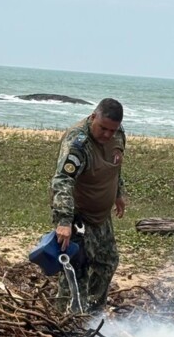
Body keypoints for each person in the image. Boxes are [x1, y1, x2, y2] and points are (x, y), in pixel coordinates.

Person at [50, 98, 128, 312]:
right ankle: (66, 318)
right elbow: (62, 181)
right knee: (76, 269)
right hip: (78, 217)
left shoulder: (118, 134)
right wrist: (64, 222)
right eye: (103, 128)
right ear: (93, 116)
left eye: (112, 130)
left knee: (107, 262)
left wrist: (118, 193)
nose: (107, 135)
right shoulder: (78, 143)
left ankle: (93, 313)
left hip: (101, 216)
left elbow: (116, 164)